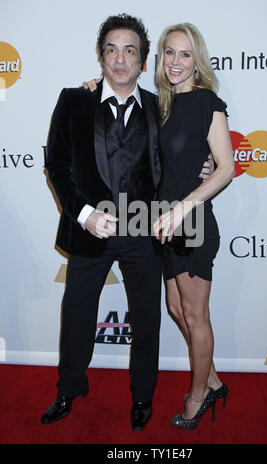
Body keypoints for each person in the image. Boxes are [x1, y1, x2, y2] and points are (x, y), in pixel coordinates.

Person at [41, 13, 164, 431]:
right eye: (111, 49)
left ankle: (143, 395)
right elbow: (56, 164)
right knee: (77, 314)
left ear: (143, 63)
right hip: (90, 229)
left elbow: (176, 161)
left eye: (129, 50)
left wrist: (203, 165)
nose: (119, 58)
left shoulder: (160, 108)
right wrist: (85, 214)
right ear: (101, 57)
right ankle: (68, 388)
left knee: (146, 316)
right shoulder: (74, 100)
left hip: (143, 231)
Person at [152, 23, 235, 429]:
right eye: (170, 52)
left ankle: (200, 395)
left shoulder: (207, 103)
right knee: (175, 308)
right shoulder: (161, 105)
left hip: (192, 220)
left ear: (197, 61)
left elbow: (226, 170)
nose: (176, 61)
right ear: (160, 57)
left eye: (185, 54)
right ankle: (215, 380)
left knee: (195, 315)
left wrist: (183, 208)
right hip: (165, 223)